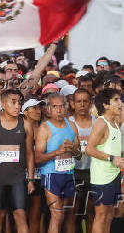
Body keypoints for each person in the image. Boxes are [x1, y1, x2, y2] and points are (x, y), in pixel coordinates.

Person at [0, 89, 35, 233]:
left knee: (20, 215)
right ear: (3, 104)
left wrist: (30, 179)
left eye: (19, 102)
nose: (18, 106)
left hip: (17, 179)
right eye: (13, 102)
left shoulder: (26, 125)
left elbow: (30, 153)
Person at [35, 92, 82, 233]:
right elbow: (37, 159)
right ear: (49, 109)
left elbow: (79, 155)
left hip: (69, 174)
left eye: (62, 106)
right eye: (55, 106)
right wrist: (57, 152)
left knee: (66, 215)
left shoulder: (72, 125)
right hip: (51, 175)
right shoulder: (45, 128)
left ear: (66, 107)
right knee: (57, 214)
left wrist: (72, 149)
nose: (59, 110)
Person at [86, 88, 124, 233]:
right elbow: (89, 149)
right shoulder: (101, 123)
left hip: (114, 175)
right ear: (105, 105)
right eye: (116, 100)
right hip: (102, 178)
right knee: (101, 216)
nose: (120, 103)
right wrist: (112, 158)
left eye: (120, 99)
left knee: (109, 215)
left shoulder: (114, 123)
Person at [69, 88, 96, 232]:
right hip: (73, 172)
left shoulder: (97, 123)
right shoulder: (68, 123)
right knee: (73, 214)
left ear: (91, 103)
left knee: (91, 213)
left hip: (93, 172)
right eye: (78, 101)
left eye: (85, 101)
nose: (82, 105)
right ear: (73, 104)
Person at [22, 98, 45, 233]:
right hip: (22, 176)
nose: (38, 111)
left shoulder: (45, 128)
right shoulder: (19, 128)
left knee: (36, 215)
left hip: (42, 176)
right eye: (34, 108)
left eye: (39, 108)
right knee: (20, 214)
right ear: (25, 112)